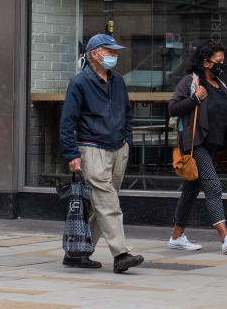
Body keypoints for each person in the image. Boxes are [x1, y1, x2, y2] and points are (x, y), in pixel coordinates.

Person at [168, 40, 227, 254]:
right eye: (218, 61)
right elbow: (173, 108)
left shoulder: (222, 87)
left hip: (211, 145)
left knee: (191, 190)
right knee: (213, 186)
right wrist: (195, 99)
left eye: (223, 61)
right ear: (205, 62)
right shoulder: (191, 82)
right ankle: (225, 237)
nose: (222, 65)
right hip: (195, 144)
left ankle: (177, 236)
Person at [59, 33, 144, 273]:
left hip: (118, 148)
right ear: (94, 54)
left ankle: (77, 252)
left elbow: (127, 112)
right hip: (91, 148)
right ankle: (121, 254)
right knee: (108, 203)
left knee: (101, 204)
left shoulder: (118, 81)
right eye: (110, 52)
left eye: (116, 52)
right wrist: (72, 154)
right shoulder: (79, 83)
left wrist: (127, 139)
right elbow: (67, 123)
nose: (115, 56)